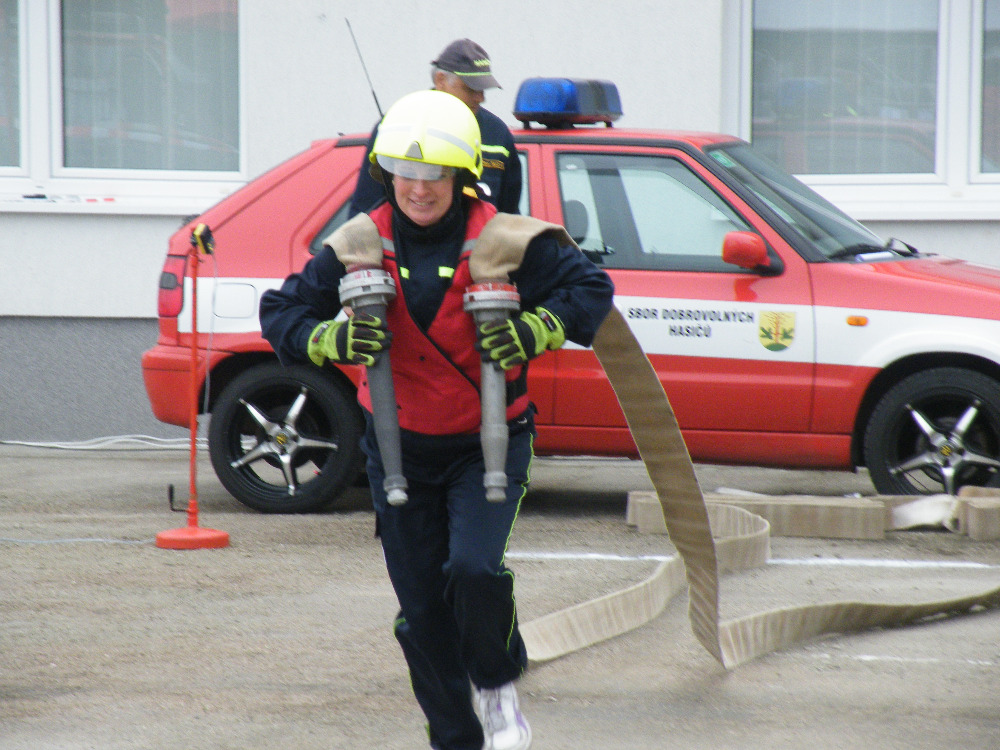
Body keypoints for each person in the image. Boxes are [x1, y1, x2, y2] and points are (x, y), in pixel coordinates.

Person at [260, 89, 614, 750]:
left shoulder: (507, 239)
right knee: (422, 614)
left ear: (462, 174)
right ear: (385, 172)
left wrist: (537, 328)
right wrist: (328, 341)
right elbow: (282, 312)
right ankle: (455, 739)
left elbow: (591, 289)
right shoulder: (358, 241)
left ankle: (497, 683)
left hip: (489, 445)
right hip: (397, 450)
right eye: (406, 172)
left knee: (474, 572)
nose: (418, 188)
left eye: (434, 173)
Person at [348, 38, 522, 218]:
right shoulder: (397, 126)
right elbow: (364, 213)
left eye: (483, 89)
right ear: (441, 80)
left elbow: (510, 218)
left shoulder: (497, 135)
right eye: (471, 88)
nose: (480, 98)